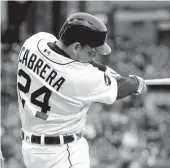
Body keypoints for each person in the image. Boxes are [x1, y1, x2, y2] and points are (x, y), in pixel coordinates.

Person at [17, 12, 146, 168]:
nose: (93, 56)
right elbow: (120, 88)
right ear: (77, 46)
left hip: (31, 149)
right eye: (91, 51)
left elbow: (80, 64)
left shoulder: (33, 42)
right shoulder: (77, 79)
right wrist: (137, 83)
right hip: (62, 154)